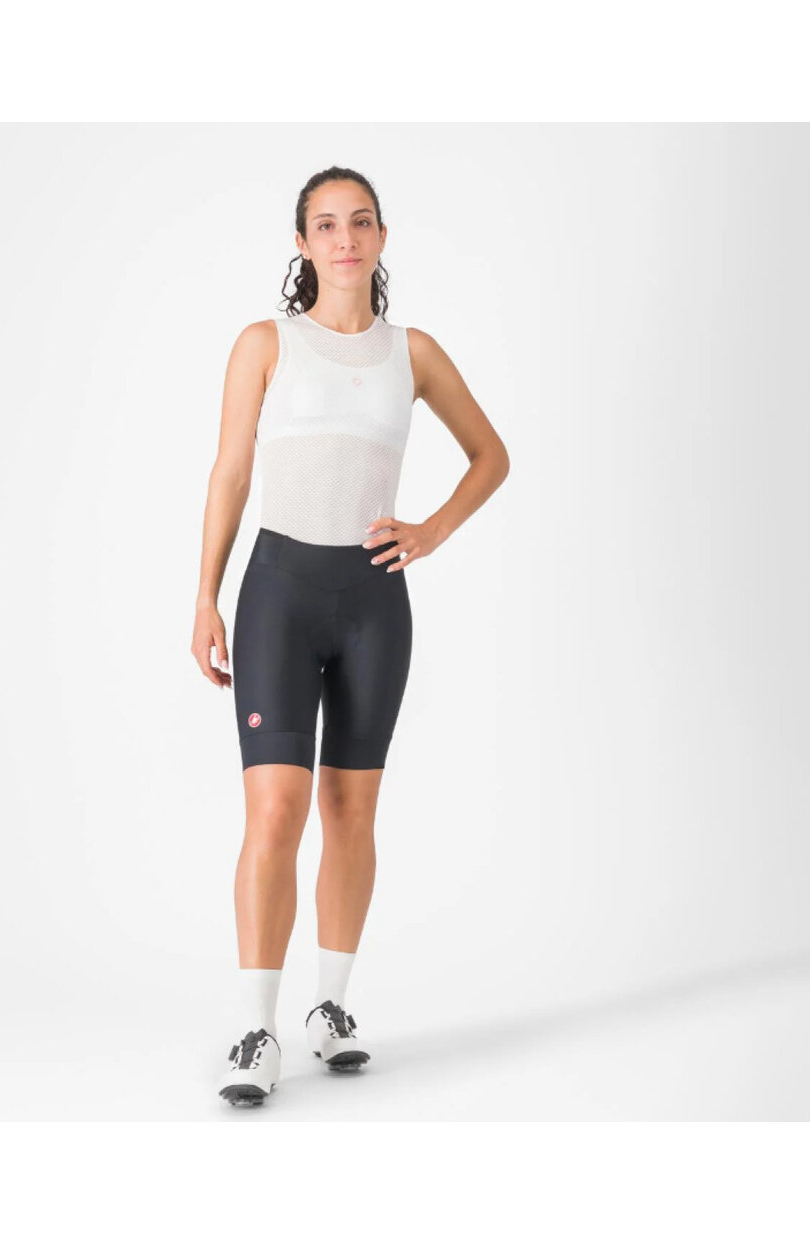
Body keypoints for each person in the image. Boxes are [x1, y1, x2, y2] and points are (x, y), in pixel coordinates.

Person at [192, 166, 510, 1107]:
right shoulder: (265, 343)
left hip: (373, 602)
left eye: (359, 221)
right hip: (278, 596)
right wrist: (204, 597)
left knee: (351, 813)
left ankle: (329, 1008)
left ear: (381, 237)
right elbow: (229, 473)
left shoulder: (414, 352)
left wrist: (431, 531)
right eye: (326, 225)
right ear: (302, 243)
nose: (344, 238)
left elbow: (492, 455)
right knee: (274, 813)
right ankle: (257, 1028)